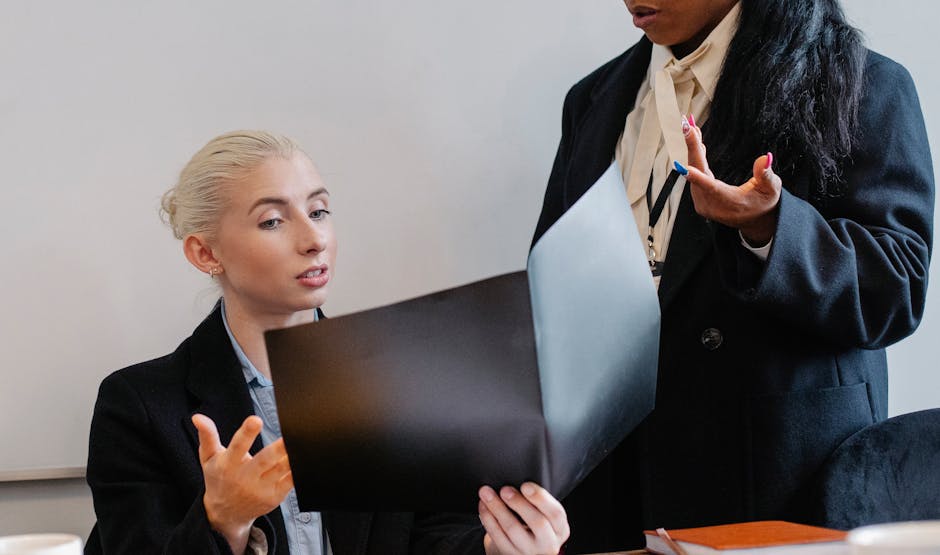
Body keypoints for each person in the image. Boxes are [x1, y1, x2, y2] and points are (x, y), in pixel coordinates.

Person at [533, 0, 933, 552]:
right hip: (605, 484)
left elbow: (897, 287)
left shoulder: (864, 84)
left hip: (770, 487)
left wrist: (771, 227)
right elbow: (549, 285)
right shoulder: (592, 99)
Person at [85, 130, 570, 555]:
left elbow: (437, 534)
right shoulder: (138, 407)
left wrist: (498, 547)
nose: (314, 238)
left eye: (319, 210)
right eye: (273, 221)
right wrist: (225, 522)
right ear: (205, 252)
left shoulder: (401, 379)